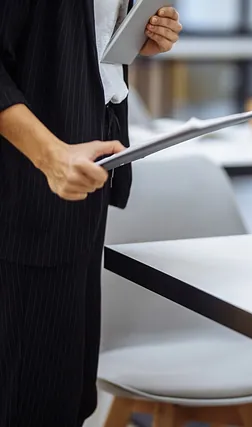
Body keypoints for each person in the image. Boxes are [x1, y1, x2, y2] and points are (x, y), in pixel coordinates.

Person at [0, 1, 182, 425]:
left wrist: (137, 37)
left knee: (69, 398)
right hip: (24, 191)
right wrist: (50, 157)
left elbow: (74, 45)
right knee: (27, 401)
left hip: (82, 187)